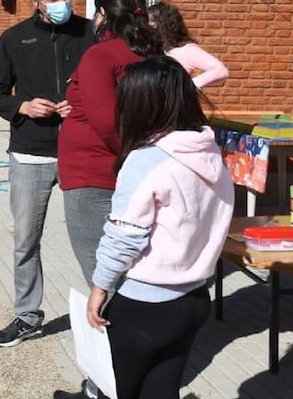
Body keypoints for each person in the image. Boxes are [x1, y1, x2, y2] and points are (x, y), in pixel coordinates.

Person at [82, 56, 234, 399]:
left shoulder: (147, 160)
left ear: (140, 105)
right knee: (162, 389)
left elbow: (124, 236)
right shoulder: (211, 152)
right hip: (194, 298)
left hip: (145, 304)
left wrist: (99, 288)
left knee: (114, 388)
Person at [57, 0, 162, 399]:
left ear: (103, 14)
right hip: (127, 175)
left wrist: (134, 161)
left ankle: (108, 384)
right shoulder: (152, 55)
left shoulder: (101, 54)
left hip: (94, 177)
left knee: (104, 284)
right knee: (128, 276)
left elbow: (106, 123)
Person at [0, 0, 93, 347]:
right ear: (35, 2)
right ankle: (27, 316)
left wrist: (80, 106)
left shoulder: (89, 33)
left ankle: (108, 310)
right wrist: (23, 106)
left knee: (94, 239)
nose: (63, 3)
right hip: (32, 154)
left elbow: (111, 85)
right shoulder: (15, 39)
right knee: (26, 240)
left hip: (83, 152)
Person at [147, 1, 229, 89]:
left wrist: (187, 87)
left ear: (164, 25)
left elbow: (220, 70)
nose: (148, 25)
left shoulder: (186, 50)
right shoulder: (152, 48)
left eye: (152, 21)